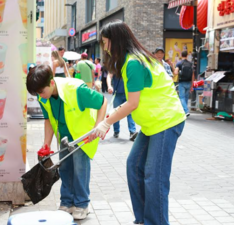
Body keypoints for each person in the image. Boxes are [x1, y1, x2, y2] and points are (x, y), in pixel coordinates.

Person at [93, 20, 186, 225]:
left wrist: (106, 123)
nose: (105, 47)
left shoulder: (133, 63)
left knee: (155, 177)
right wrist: (112, 115)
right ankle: (143, 219)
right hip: (153, 123)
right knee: (134, 165)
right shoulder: (132, 59)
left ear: (115, 41)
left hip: (166, 121)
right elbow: (134, 100)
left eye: (106, 42)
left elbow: (133, 103)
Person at [26, 64, 107, 220]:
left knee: (80, 170)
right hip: (63, 135)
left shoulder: (76, 90)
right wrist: (46, 144)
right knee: (65, 169)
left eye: (41, 92)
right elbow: (48, 118)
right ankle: (66, 202)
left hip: (83, 136)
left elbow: (102, 101)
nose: (40, 96)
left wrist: (99, 126)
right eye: (37, 93)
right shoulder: (43, 95)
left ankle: (82, 204)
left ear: (51, 83)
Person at [106, 73, 138, 141]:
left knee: (130, 112)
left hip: (129, 93)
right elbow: (109, 75)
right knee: (116, 112)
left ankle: (132, 132)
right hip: (117, 93)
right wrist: (109, 86)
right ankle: (116, 131)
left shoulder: (130, 63)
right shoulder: (116, 63)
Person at [176, 51, 194, 117]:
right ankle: (184, 112)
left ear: (181, 55)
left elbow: (175, 72)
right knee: (186, 97)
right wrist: (192, 85)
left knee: (181, 97)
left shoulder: (179, 63)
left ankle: (186, 111)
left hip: (182, 82)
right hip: (188, 82)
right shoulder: (190, 64)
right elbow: (193, 75)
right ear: (187, 55)